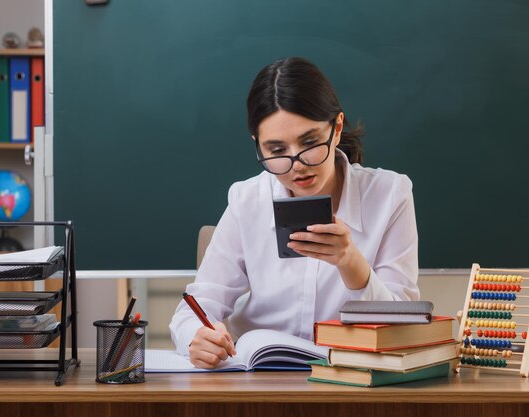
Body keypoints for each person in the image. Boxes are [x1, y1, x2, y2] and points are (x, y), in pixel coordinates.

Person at [169, 57, 419, 369]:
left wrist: (352, 264)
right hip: (259, 377)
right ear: (258, 146)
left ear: (337, 128)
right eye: (276, 151)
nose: (296, 164)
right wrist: (197, 336)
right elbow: (196, 308)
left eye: (310, 142)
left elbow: (406, 330)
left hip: (351, 380)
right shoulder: (247, 199)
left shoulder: (389, 194)